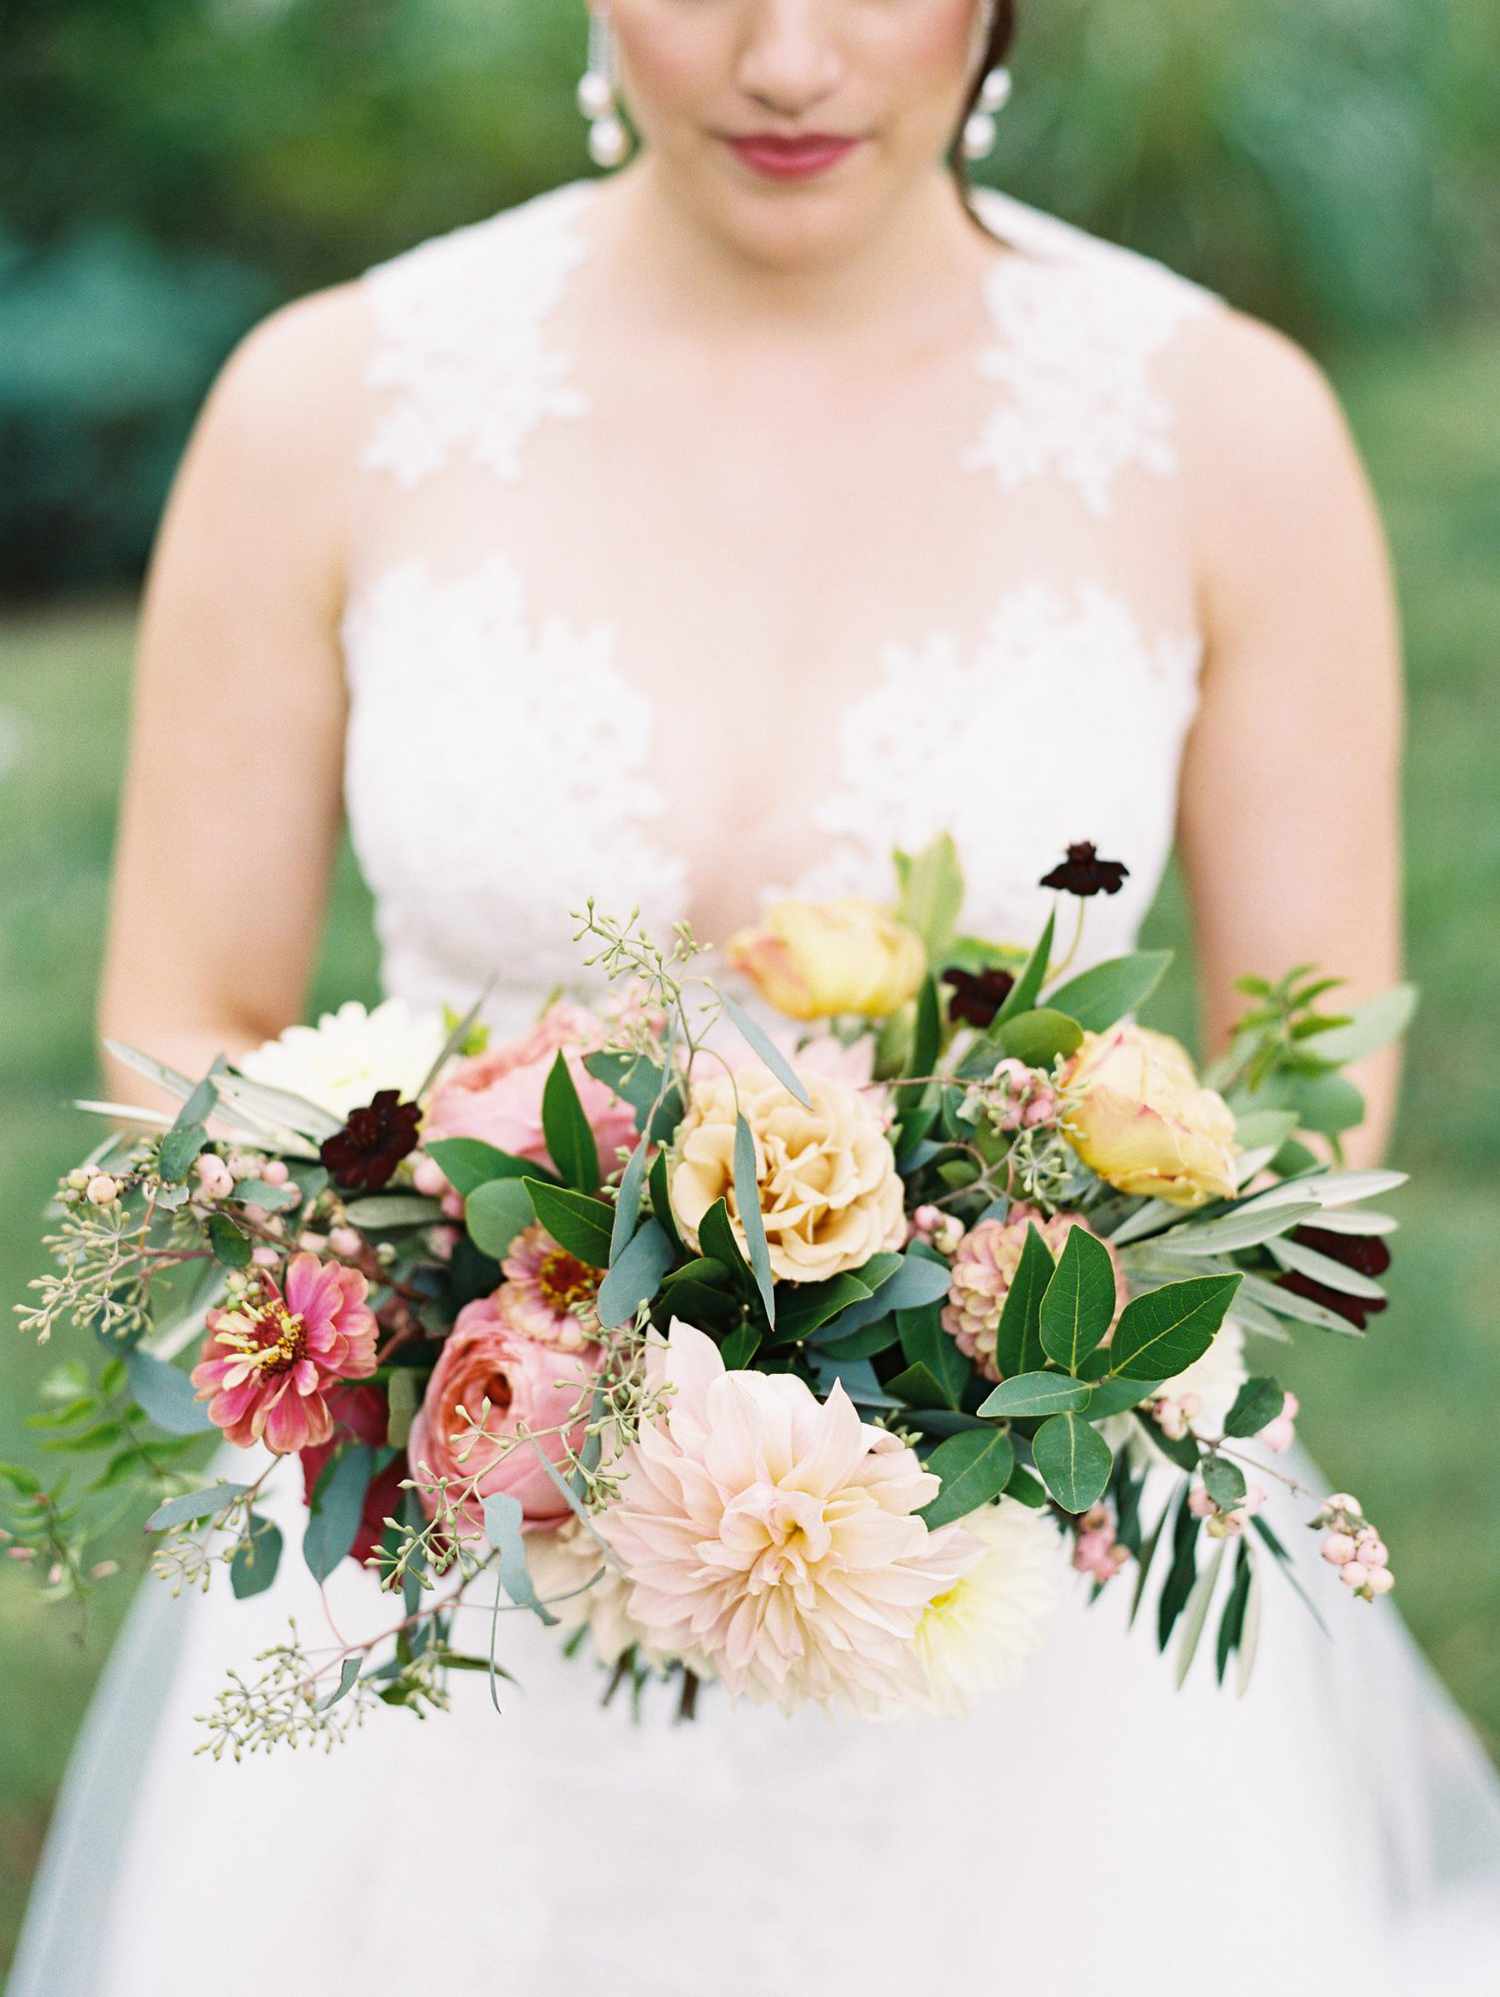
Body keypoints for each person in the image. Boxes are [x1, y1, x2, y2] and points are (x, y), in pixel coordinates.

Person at [10, 5, 1498, 1994]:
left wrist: (973, 1360)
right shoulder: (329, 405)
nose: (789, 59)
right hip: (457, 1602)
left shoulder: (1227, 431)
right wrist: (456, 1316)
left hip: (1012, 1639)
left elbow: (1314, 1108)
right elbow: (182, 1015)